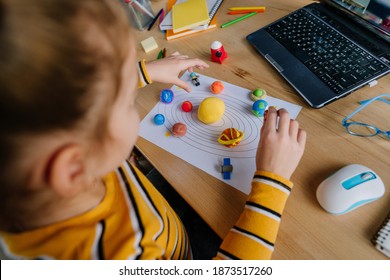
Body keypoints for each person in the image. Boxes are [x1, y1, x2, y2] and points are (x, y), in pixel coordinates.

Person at [0, 0, 306, 260]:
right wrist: (272, 182)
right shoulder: (123, 254)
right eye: (126, 101)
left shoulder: (43, 166)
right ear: (72, 168)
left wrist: (143, 73)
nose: (133, 96)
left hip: (163, 220)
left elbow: (61, 97)